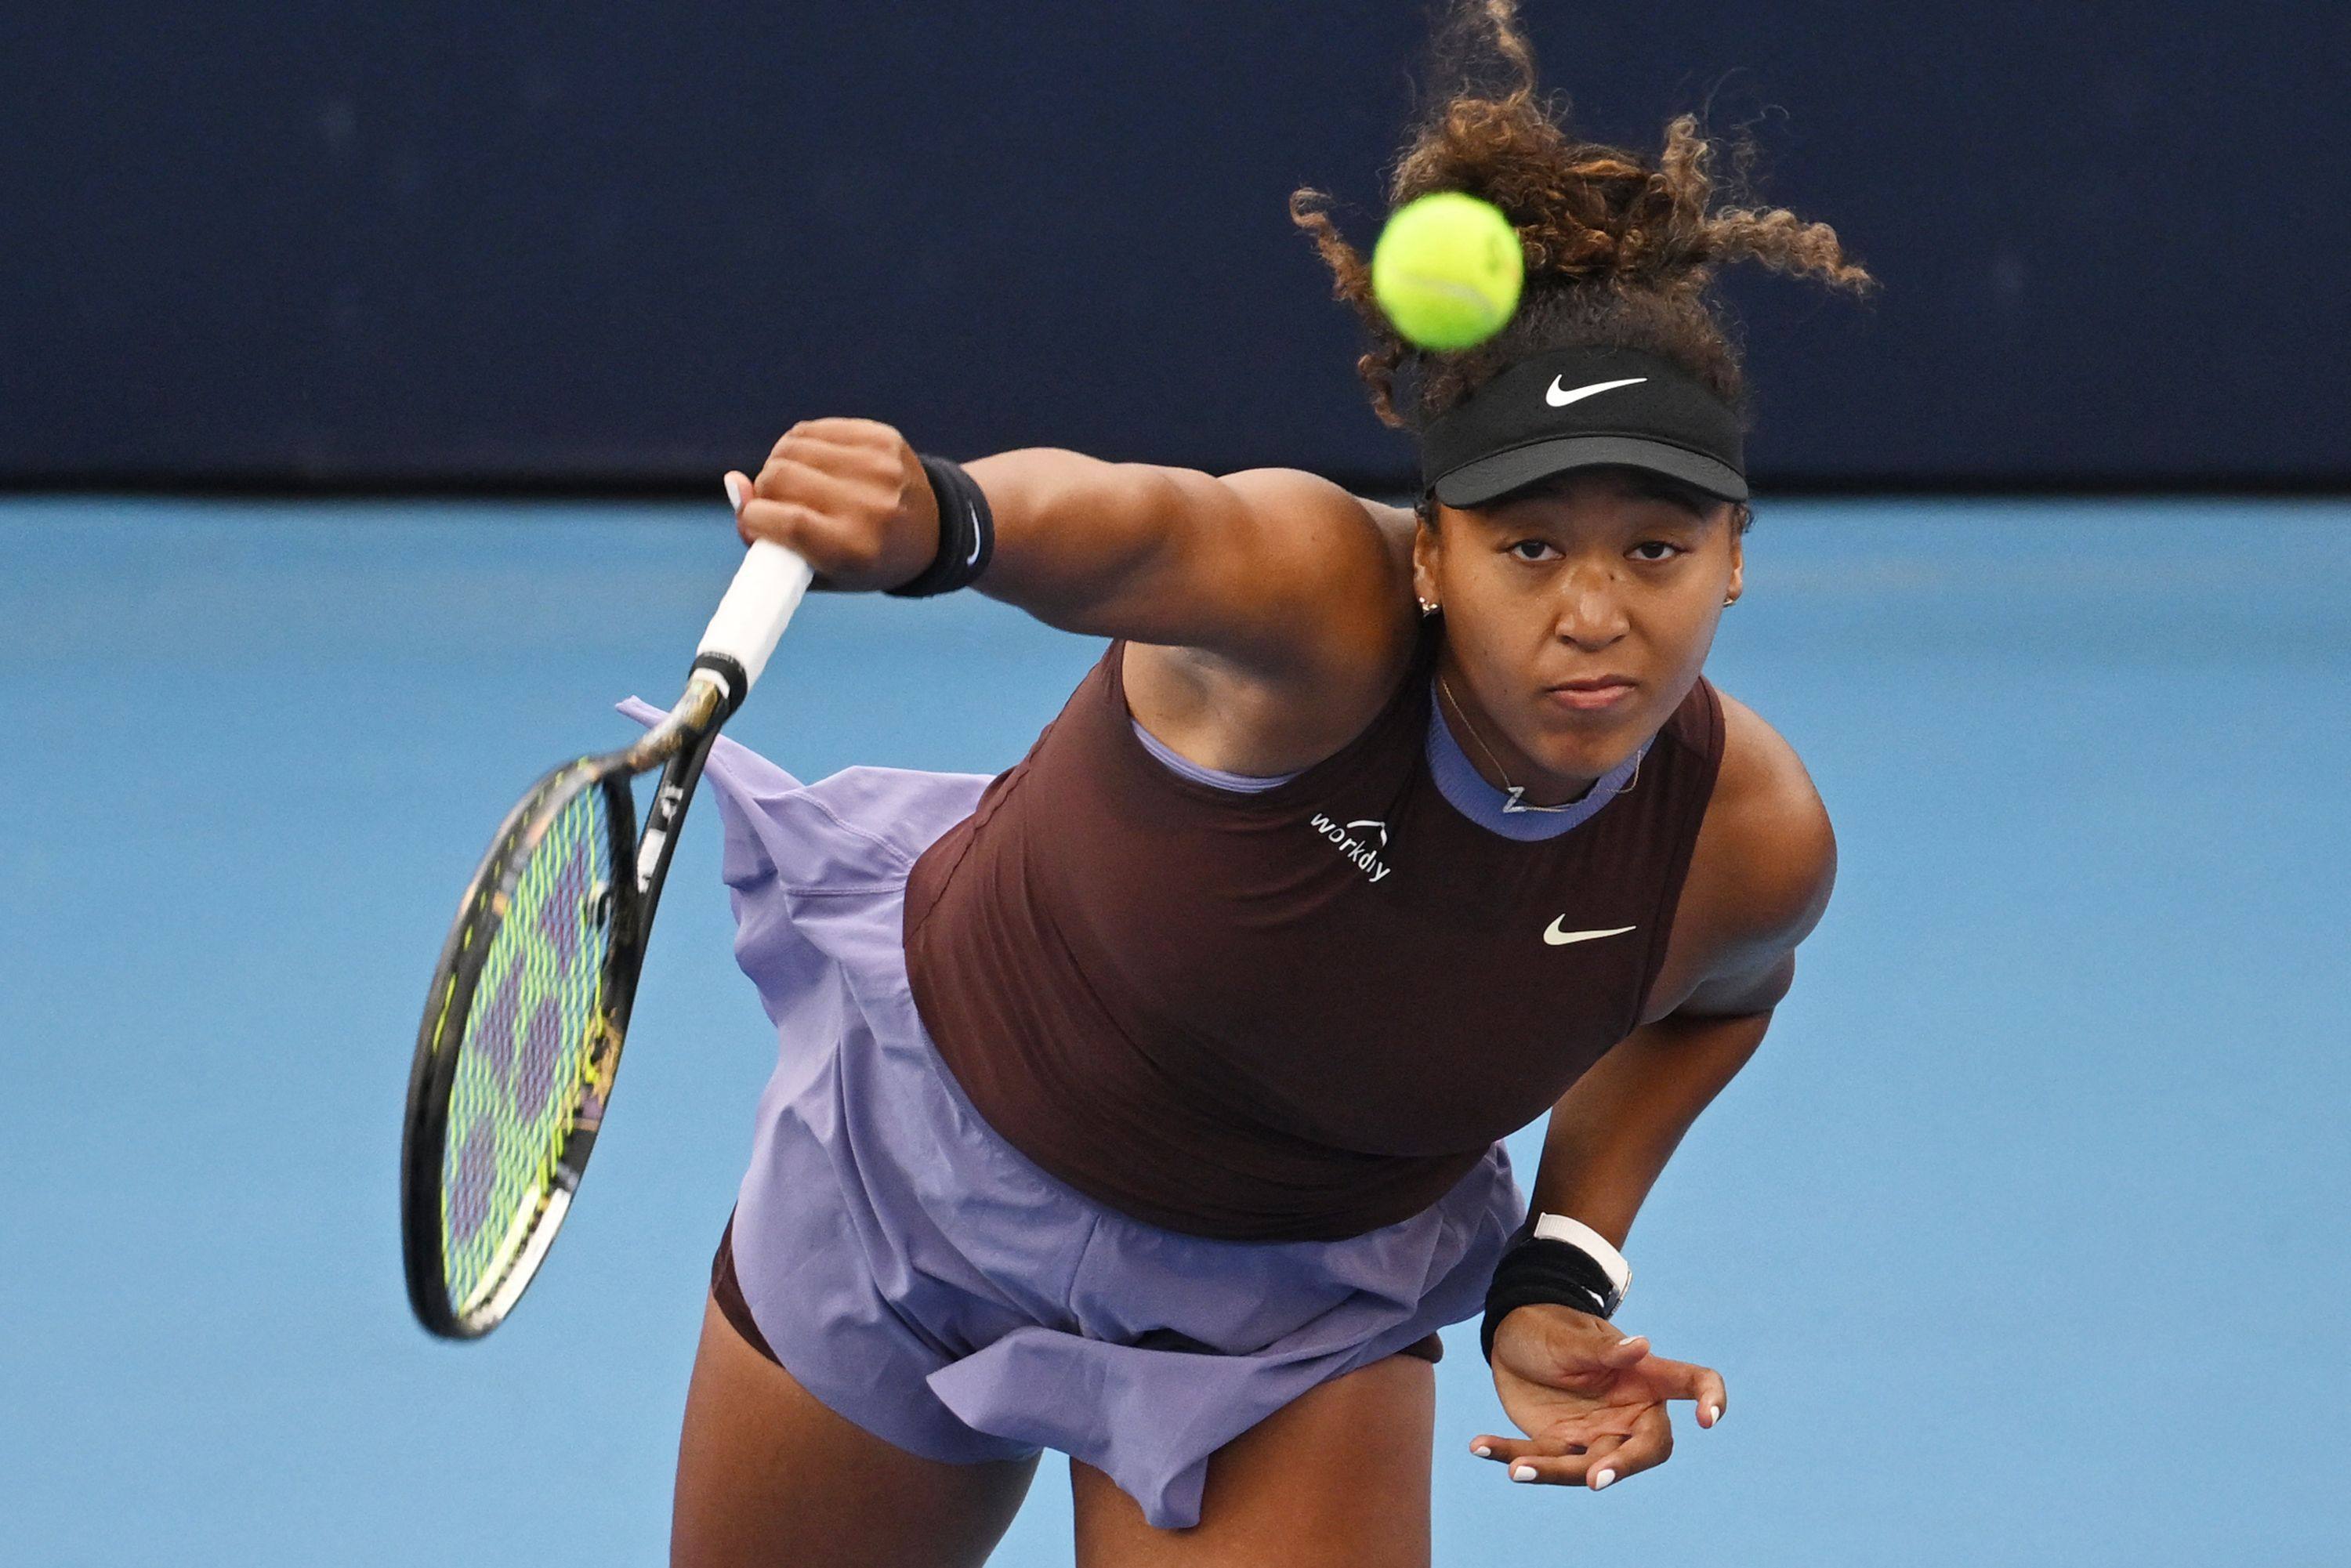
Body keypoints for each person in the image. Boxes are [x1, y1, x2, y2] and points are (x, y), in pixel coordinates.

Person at [665, 5, 1872, 1563]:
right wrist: (946, 518)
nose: (1595, 612)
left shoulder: (1747, 838)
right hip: (926, 1172)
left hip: (1283, 1315)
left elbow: (1723, 998)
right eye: (1528, 547)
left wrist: (1562, 1259)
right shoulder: (1316, 599)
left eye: (1657, 548)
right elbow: (1144, 528)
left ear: (1733, 562)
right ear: (1431, 553)